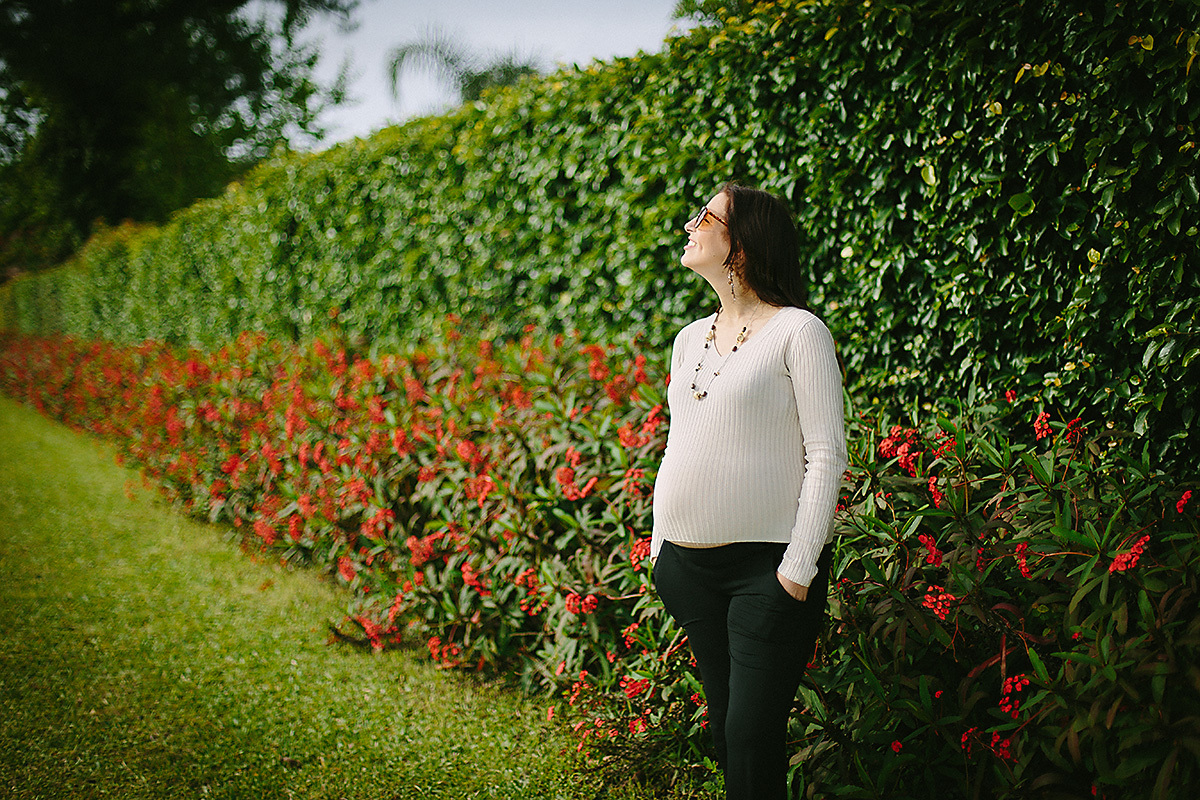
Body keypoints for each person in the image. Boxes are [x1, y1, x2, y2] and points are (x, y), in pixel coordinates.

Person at [650, 182, 847, 800]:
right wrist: (660, 550)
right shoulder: (688, 339)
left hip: (768, 571)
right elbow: (678, 441)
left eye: (703, 218)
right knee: (726, 736)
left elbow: (826, 454)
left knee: (752, 734)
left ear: (742, 243)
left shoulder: (799, 332)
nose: (689, 227)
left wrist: (796, 569)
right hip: (688, 568)